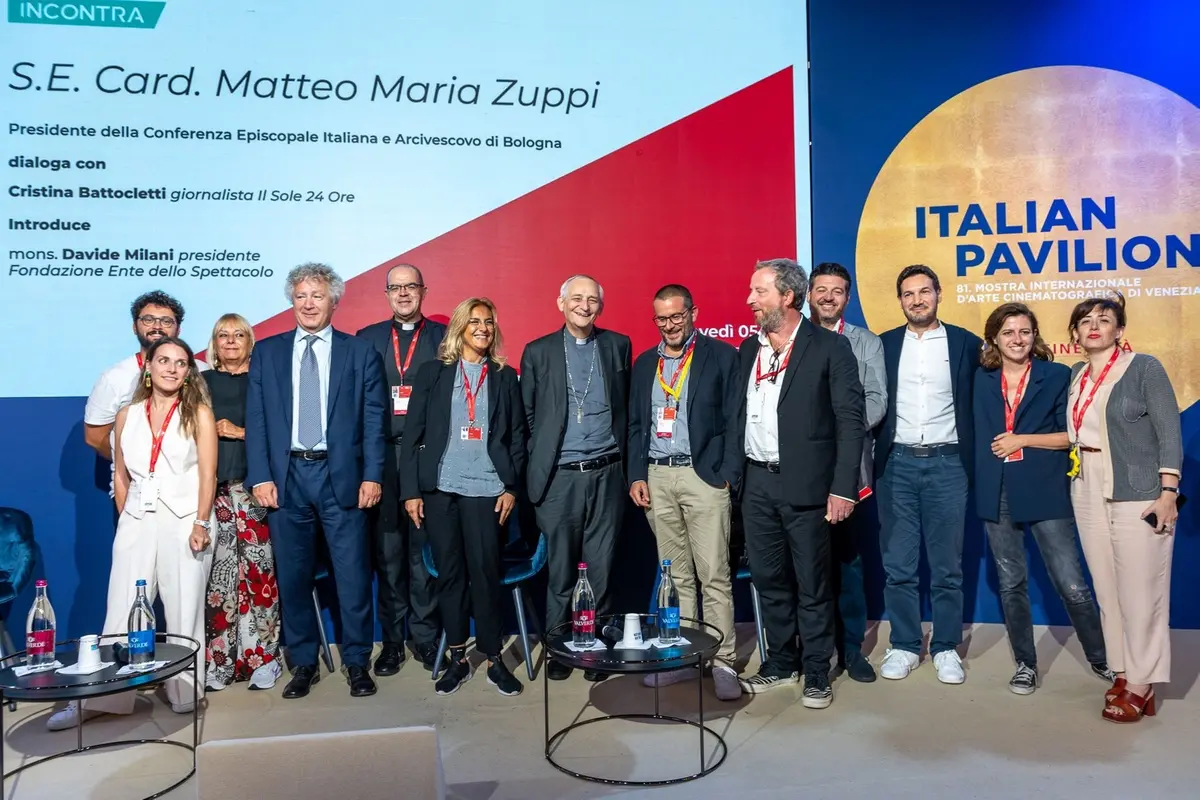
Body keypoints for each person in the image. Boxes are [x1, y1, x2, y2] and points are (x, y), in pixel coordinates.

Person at [49, 337, 217, 730]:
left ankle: (184, 689)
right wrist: (128, 516)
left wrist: (201, 522)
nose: (171, 369)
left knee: (183, 608)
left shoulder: (199, 413)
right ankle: (107, 697)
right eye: (164, 361)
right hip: (139, 517)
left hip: (185, 519)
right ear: (149, 366)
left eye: (180, 363)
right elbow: (120, 474)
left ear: (189, 372)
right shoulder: (127, 414)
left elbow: (208, 474)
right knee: (123, 606)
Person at [245, 263, 388, 700]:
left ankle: (358, 662)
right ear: (292, 300)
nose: (309, 303)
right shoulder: (267, 353)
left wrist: (372, 476)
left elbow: (374, 420)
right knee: (293, 577)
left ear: (334, 301)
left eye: (318, 295)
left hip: (340, 477)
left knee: (352, 576)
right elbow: (257, 420)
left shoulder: (359, 352)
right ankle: (303, 663)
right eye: (302, 295)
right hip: (287, 478)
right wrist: (261, 476)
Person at [736, 259, 864, 708]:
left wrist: (843, 487)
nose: (750, 300)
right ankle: (781, 662)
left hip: (808, 488)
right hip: (756, 483)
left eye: (759, 292)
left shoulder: (829, 348)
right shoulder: (748, 352)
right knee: (770, 580)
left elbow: (851, 423)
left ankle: (816, 671)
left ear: (787, 297)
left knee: (812, 583)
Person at [973, 302, 1111, 695]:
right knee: (1011, 582)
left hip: (1044, 488)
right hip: (996, 490)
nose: (1017, 339)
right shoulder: (982, 379)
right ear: (994, 339)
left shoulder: (1056, 375)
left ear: (1035, 336)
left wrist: (1023, 439)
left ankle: (1103, 658)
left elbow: (1074, 434)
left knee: (1071, 582)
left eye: (1024, 331)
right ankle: (1025, 664)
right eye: (1008, 333)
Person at [401, 297, 528, 696]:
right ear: (460, 327)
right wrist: (410, 492)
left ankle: (493, 658)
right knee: (450, 577)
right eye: (474, 322)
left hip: (487, 491)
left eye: (489, 322)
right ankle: (458, 658)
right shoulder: (432, 373)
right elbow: (413, 436)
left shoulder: (505, 376)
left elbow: (519, 438)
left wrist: (511, 488)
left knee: (486, 576)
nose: (483, 328)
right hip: (440, 490)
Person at [1065, 294, 1181, 723]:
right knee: (1108, 590)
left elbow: (1169, 431)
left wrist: (1168, 492)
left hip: (1138, 489)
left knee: (1141, 591)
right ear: (1075, 334)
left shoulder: (1143, 368)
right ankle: (1123, 670)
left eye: (1104, 319)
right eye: (1085, 320)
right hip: (1086, 484)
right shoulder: (1077, 374)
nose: (1094, 325)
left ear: (1119, 329)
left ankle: (1143, 683)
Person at [628, 284, 743, 700]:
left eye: (677, 316)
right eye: (662, 319)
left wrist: (727, 474)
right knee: (673, 578)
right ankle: (682, 658)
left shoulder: (721, 357)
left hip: (703, 478)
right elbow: (636, 426)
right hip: (658, 477)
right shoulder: (645, 364)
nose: (670, 325)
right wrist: (636, 475)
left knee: (713, 575)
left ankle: (723, 662)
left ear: (693, 312)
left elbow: (735, 420)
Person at [521, 274, 632, 682]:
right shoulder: (538, 352)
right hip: (559, 478)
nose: (584, 306)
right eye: (576, 298)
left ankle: (595, 643)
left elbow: (625, 410)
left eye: (592, 300)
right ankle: (558, 645)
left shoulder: (617, 346)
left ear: (600, 307)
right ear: (560, 303)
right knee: (562, 571)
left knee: (601, 567)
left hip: (607, 473)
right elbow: (528, 416)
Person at [875, 265, 981, 684]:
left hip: (948, 464)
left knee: (947, 566)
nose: (917, 300)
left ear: (939, 294)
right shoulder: (882, 346)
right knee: (898, 563)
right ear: (899, 300)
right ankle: (903, 644)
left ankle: (945, 647)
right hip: (896, 465)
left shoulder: (965, 345)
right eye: (908, 294)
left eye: (924, 292)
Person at [356, 264, 447, 674]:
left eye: (411, 287)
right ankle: (392, 643)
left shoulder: (444, 339)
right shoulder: (367, 340)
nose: (404, 294)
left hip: (426, 459)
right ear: (387, 294)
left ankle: (425, 639)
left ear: (424, 291)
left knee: (422, 553)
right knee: (389, 555)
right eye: (396, 288)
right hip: (382, 459)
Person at [807, 262, 886, 683]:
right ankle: (812, 647)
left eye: (837, 291)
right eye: (821, 290)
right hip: (800, 471)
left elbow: (876, 400)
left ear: (847, 298)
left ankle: (851, 649)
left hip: (849, 469)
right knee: (807, 565)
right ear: (808, 295)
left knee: (849, 563)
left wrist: (833, 433)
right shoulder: (791, 339)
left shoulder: (866, 343)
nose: (828, 297)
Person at [202, 313, 282, 691]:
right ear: (214, 344)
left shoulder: (265, 381)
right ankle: (219, 662)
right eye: (223, 335)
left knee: (259, 576)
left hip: (256, 491)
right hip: (214, 493)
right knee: (220, 582)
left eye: (239, 335)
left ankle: (265, 658)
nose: (231, 341)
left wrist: (237, 432)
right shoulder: (200, 384)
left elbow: (283, 436)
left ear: (251, 341)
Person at [84, 291, 208, 494]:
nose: (157, 326)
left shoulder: (202, 372)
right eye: (148, 319)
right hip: (136, 489)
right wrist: (136, 464)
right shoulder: (114, 377)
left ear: (178, 329)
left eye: (166, 321)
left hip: (189, 488)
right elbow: (94, 436)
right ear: (135, 326)